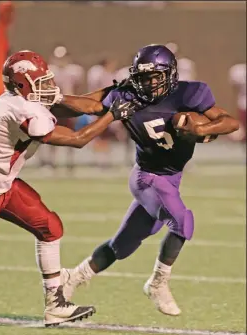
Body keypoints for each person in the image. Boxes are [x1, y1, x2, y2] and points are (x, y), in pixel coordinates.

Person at [0, 50, 139, 327]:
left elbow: (83, 105)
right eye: (39, 80)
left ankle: (55, 305)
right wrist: (112, 115)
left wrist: (114, 92)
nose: (47, 85)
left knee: (49, 227)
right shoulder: (21, 109)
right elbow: (78, 139)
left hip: (3, 185)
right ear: (21, 84)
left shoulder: (23, 97)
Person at [60, 44, 239, 317]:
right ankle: (158, 283)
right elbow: (90, 103)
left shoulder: (190, 93)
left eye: (156, 76)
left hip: (171, 179)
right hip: (147, 178)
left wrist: (201, 128)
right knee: (182, 221)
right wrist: (53, 97)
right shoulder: (128, 95)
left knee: (122, 245)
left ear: (170, 74)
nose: (150, 83)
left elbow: (230, 122)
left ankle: (74, 277)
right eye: (144, 77)